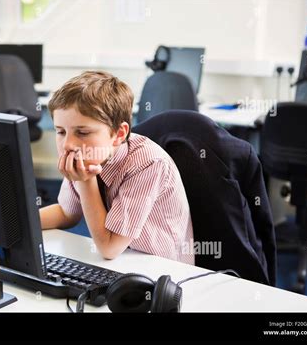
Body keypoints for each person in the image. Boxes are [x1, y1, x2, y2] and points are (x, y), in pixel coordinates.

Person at [39, 71, 194, 263]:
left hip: (165, 272)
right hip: (123, 261)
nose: (68, 144)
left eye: (83, 132)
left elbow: (109, 247)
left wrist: (86, 180)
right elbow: (67, 213)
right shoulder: (86, 156)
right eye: (61, 132)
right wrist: (12, 223)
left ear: (119, 134)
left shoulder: (147, 163)